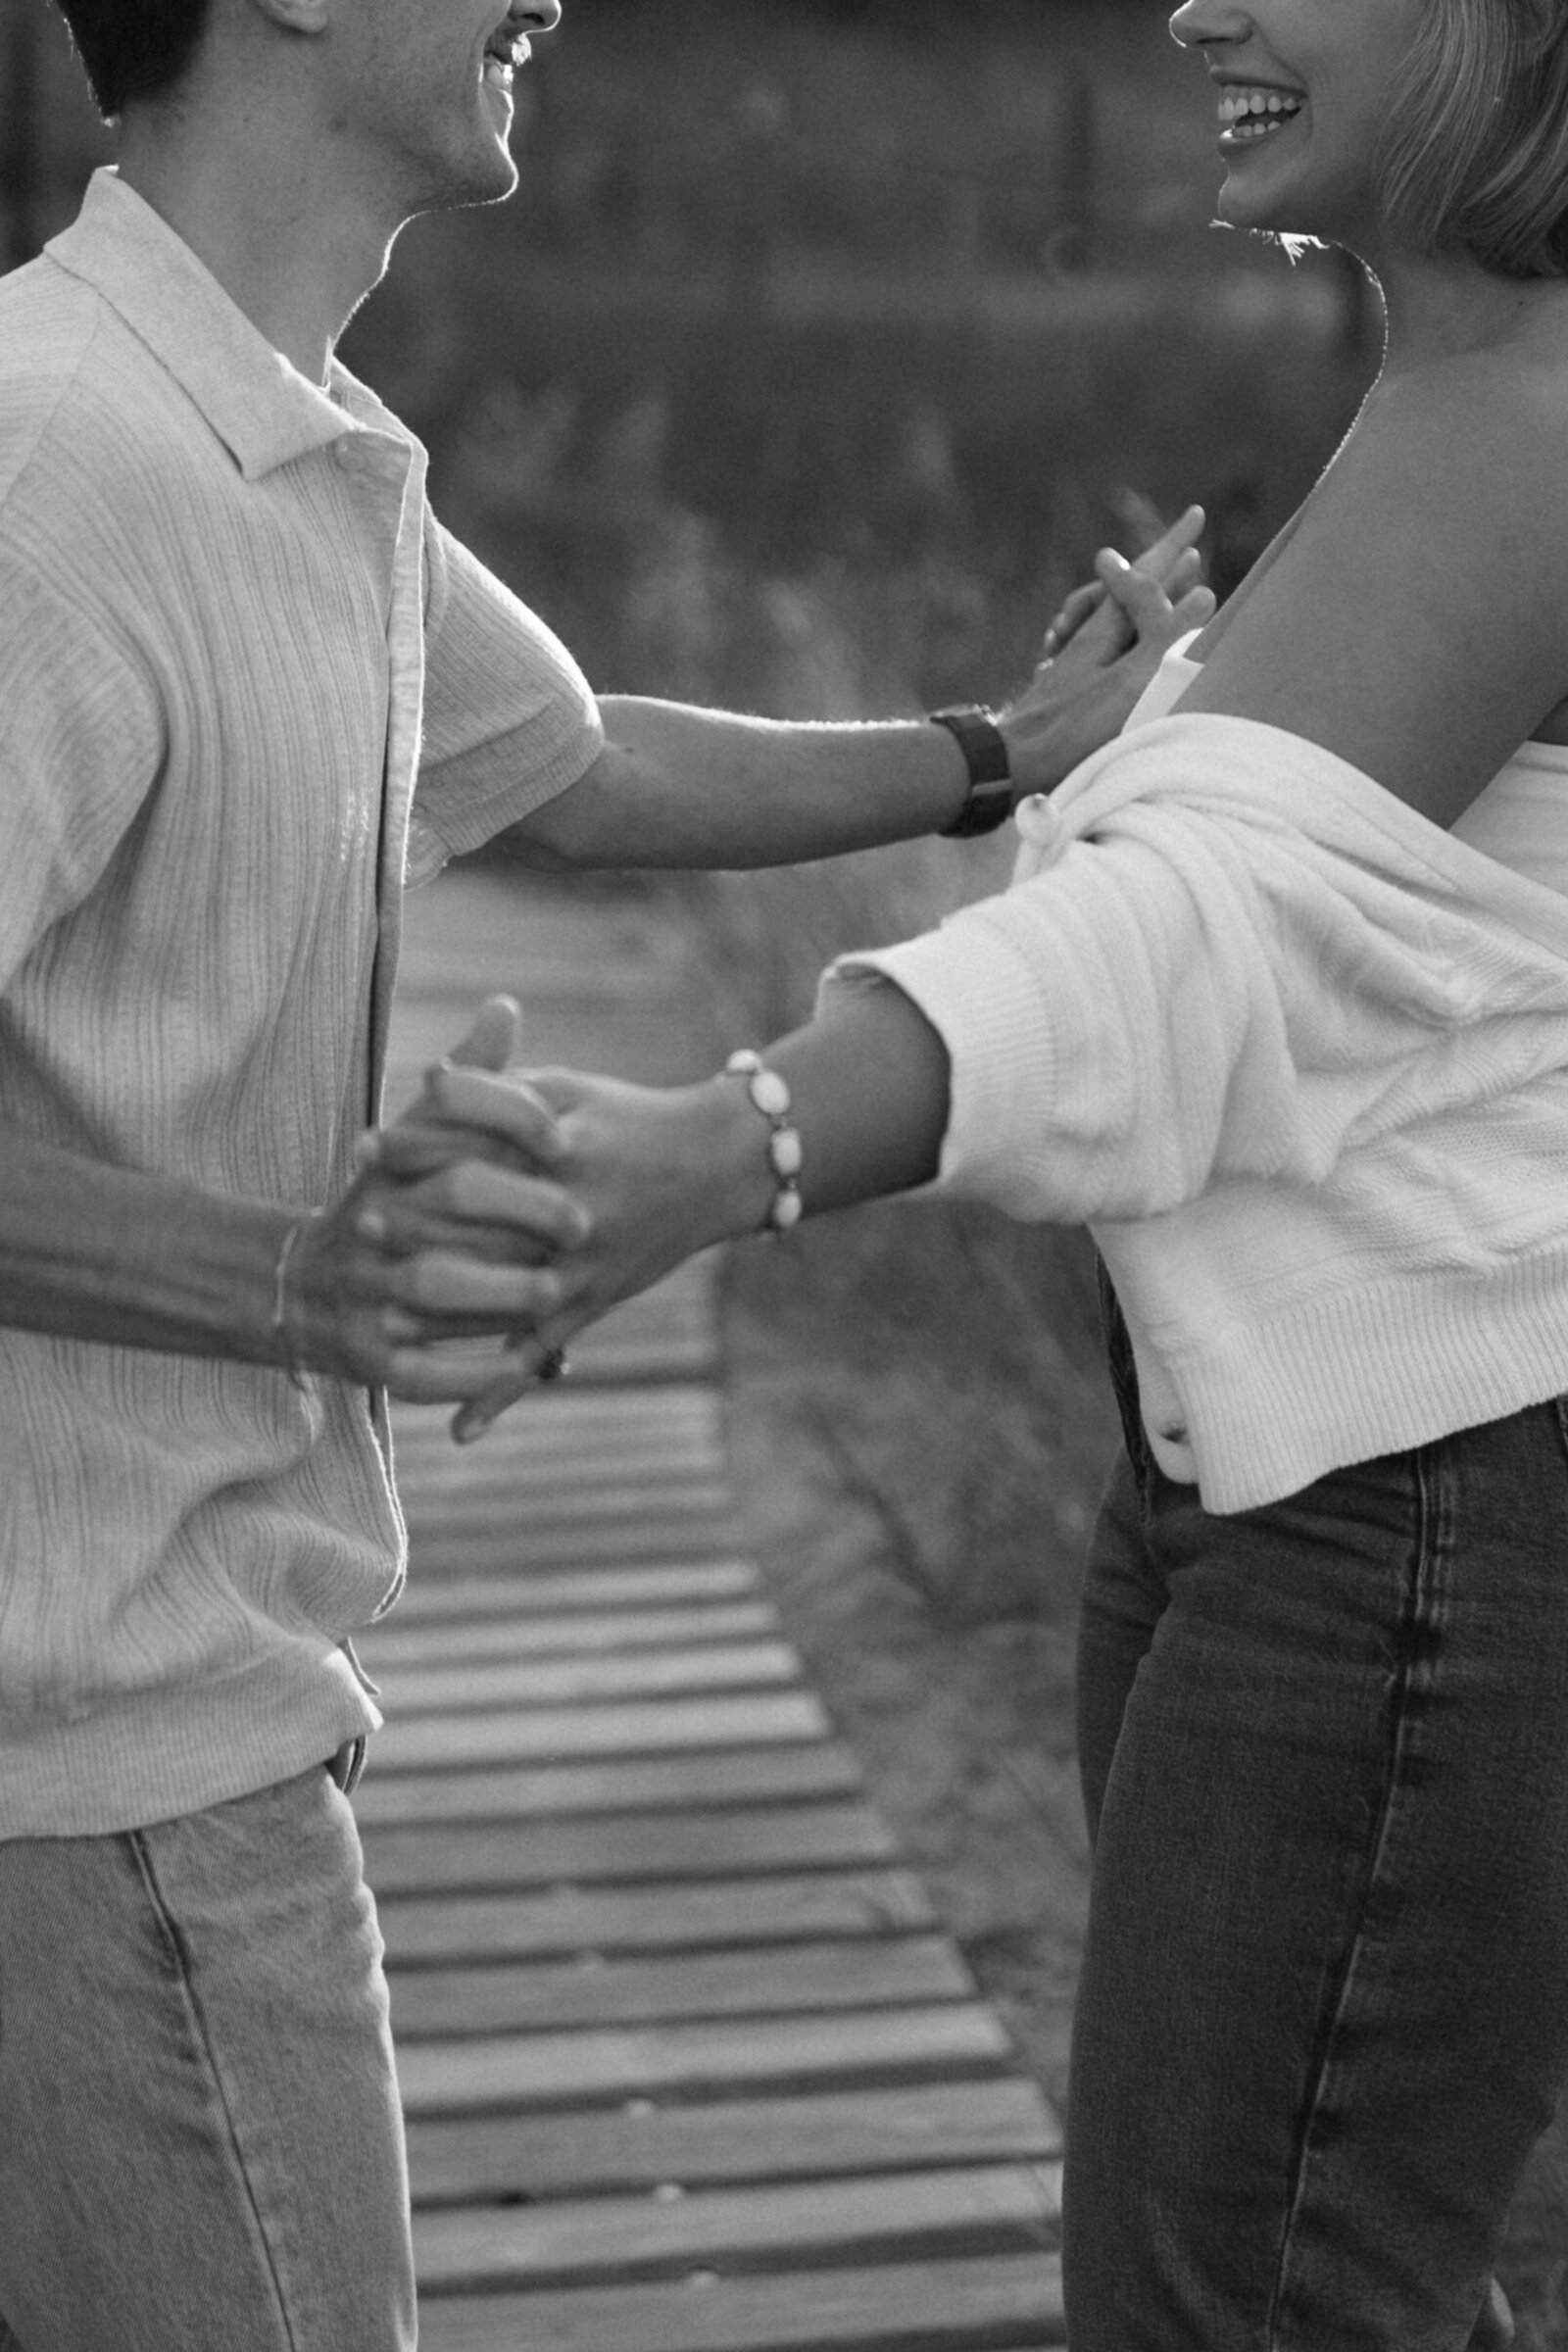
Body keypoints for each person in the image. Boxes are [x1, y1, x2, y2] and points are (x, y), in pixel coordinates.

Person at [0, 0, 1214, 2342]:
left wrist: (998, 748)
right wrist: (294, 1285)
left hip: (162, 1739)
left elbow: (569, 767)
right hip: (106, 1773)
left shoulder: (276, 432)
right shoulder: (58, 464)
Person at [377, 0, 1568, 2343]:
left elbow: (1196, 942)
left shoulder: (1519, 432)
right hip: (1293, 1491)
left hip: (1409, 1523)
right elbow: (1317, 934)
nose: (1195, 6)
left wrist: (720, 1147)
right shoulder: (1446, 406)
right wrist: (1070, 756)